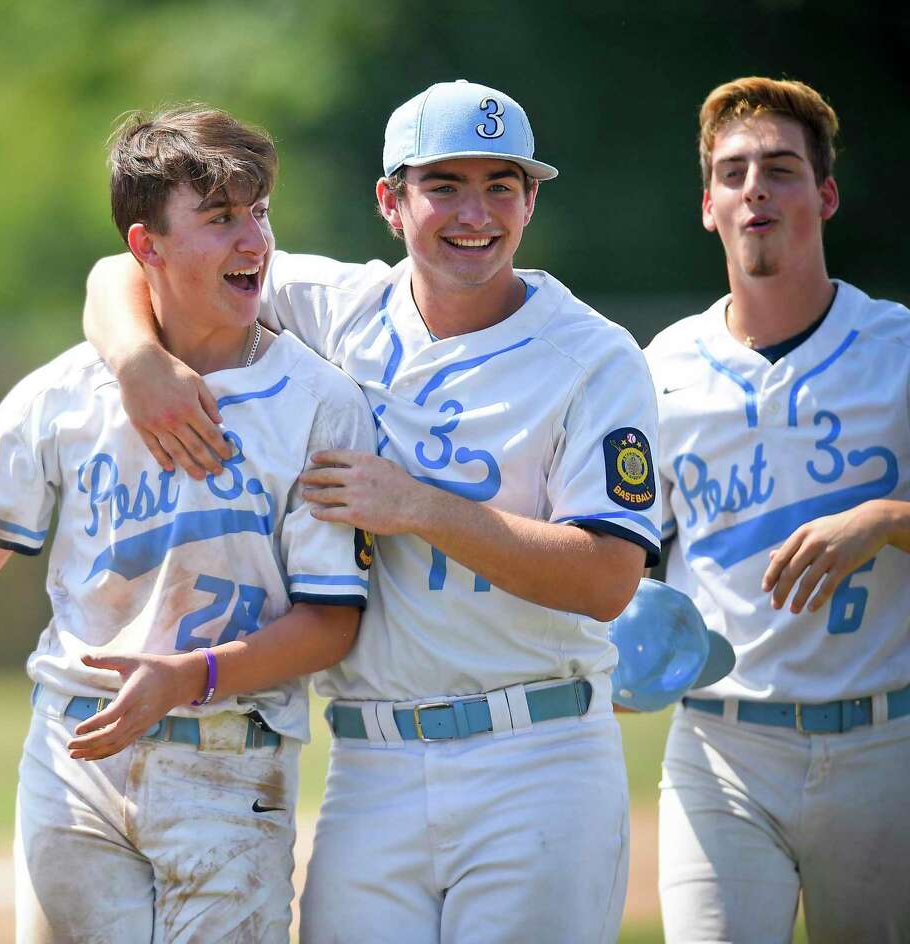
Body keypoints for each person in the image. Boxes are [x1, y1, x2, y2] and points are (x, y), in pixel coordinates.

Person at [84, 80, 661, 944]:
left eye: (502, 184)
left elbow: (609, 577)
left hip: (534, 751)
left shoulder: (593, 354)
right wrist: (136, 358)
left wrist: (422, 507)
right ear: (391, 201)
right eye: (445, 185)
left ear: (532, 200)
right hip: (369, 761)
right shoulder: (337, 303)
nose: (477, 212)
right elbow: (131, 264)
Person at [0, 106, 375, 943]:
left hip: (231, 762)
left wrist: (191, 675)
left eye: (260, 211)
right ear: (146, 248)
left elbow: (331, 622)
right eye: (219, 219)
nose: (255, 241)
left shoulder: (322, 404)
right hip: (74, 761)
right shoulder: (63, 396)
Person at [645, 76, 910, 943]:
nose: (754, 185)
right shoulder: (661, 366)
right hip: (721, 749)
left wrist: (886, 517)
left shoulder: (897, 348)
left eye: (781, 168)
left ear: (824, 195)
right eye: (733, 172)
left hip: (886, 744)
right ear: (708, 206)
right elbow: (630, 553)